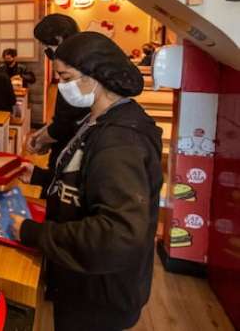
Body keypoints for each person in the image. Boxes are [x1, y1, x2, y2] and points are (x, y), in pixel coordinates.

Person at [12, 32, 163, 331]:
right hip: (83, 282)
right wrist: (42, 177)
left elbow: (117, 234)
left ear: (95, 75)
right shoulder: (97, 119)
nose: (61, 86)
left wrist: (33, 233)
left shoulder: (120, 141)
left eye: (66, 77)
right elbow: (87, 181)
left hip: (99, 293)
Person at [25, 14, 89, 194]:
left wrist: (40, 140)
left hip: (71, 158)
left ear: (60, 39)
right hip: (67, 153)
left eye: (47, 46)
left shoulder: (77, 70)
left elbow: (65, 124)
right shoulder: (78, 62)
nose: (46, 51)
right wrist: (41, 133)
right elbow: (62, 119)